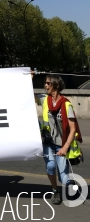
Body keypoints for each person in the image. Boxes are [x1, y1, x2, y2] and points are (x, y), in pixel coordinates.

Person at [35, 75, 83, 206]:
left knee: (64, 178)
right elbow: (26, 95)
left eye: (48, 83)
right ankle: (55, 191)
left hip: (61, 145)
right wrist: (29, 79)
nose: (45, 86)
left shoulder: (67, 105)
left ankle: (71, 183)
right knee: (50, 166)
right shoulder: (44, 100)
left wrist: (65, 148)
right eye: (45, 83)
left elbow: (72, 129)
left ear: (55, 85)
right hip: (48, 143)